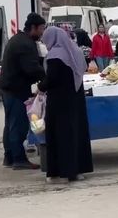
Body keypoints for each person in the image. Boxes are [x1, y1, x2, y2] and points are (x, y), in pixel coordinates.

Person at [38, 27, 93, 183]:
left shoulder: (55, 56)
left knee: (60, 136)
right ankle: (77, 170)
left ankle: (59, 172)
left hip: (59, 103)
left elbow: (52, 79)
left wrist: (40, 87)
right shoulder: (74, 51)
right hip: (75, 101)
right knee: (76, 133)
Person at [0, 13, 46, 170]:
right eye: (41, 29)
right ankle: (19, 159)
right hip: (16, 89)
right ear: (33, 28)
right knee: (18, 125)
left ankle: (9, 156)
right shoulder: (25, 44)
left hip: (9, 88)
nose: (42, 33)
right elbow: (31, 68)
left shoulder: (17, 39)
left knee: (10, 124)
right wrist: (47, 78)